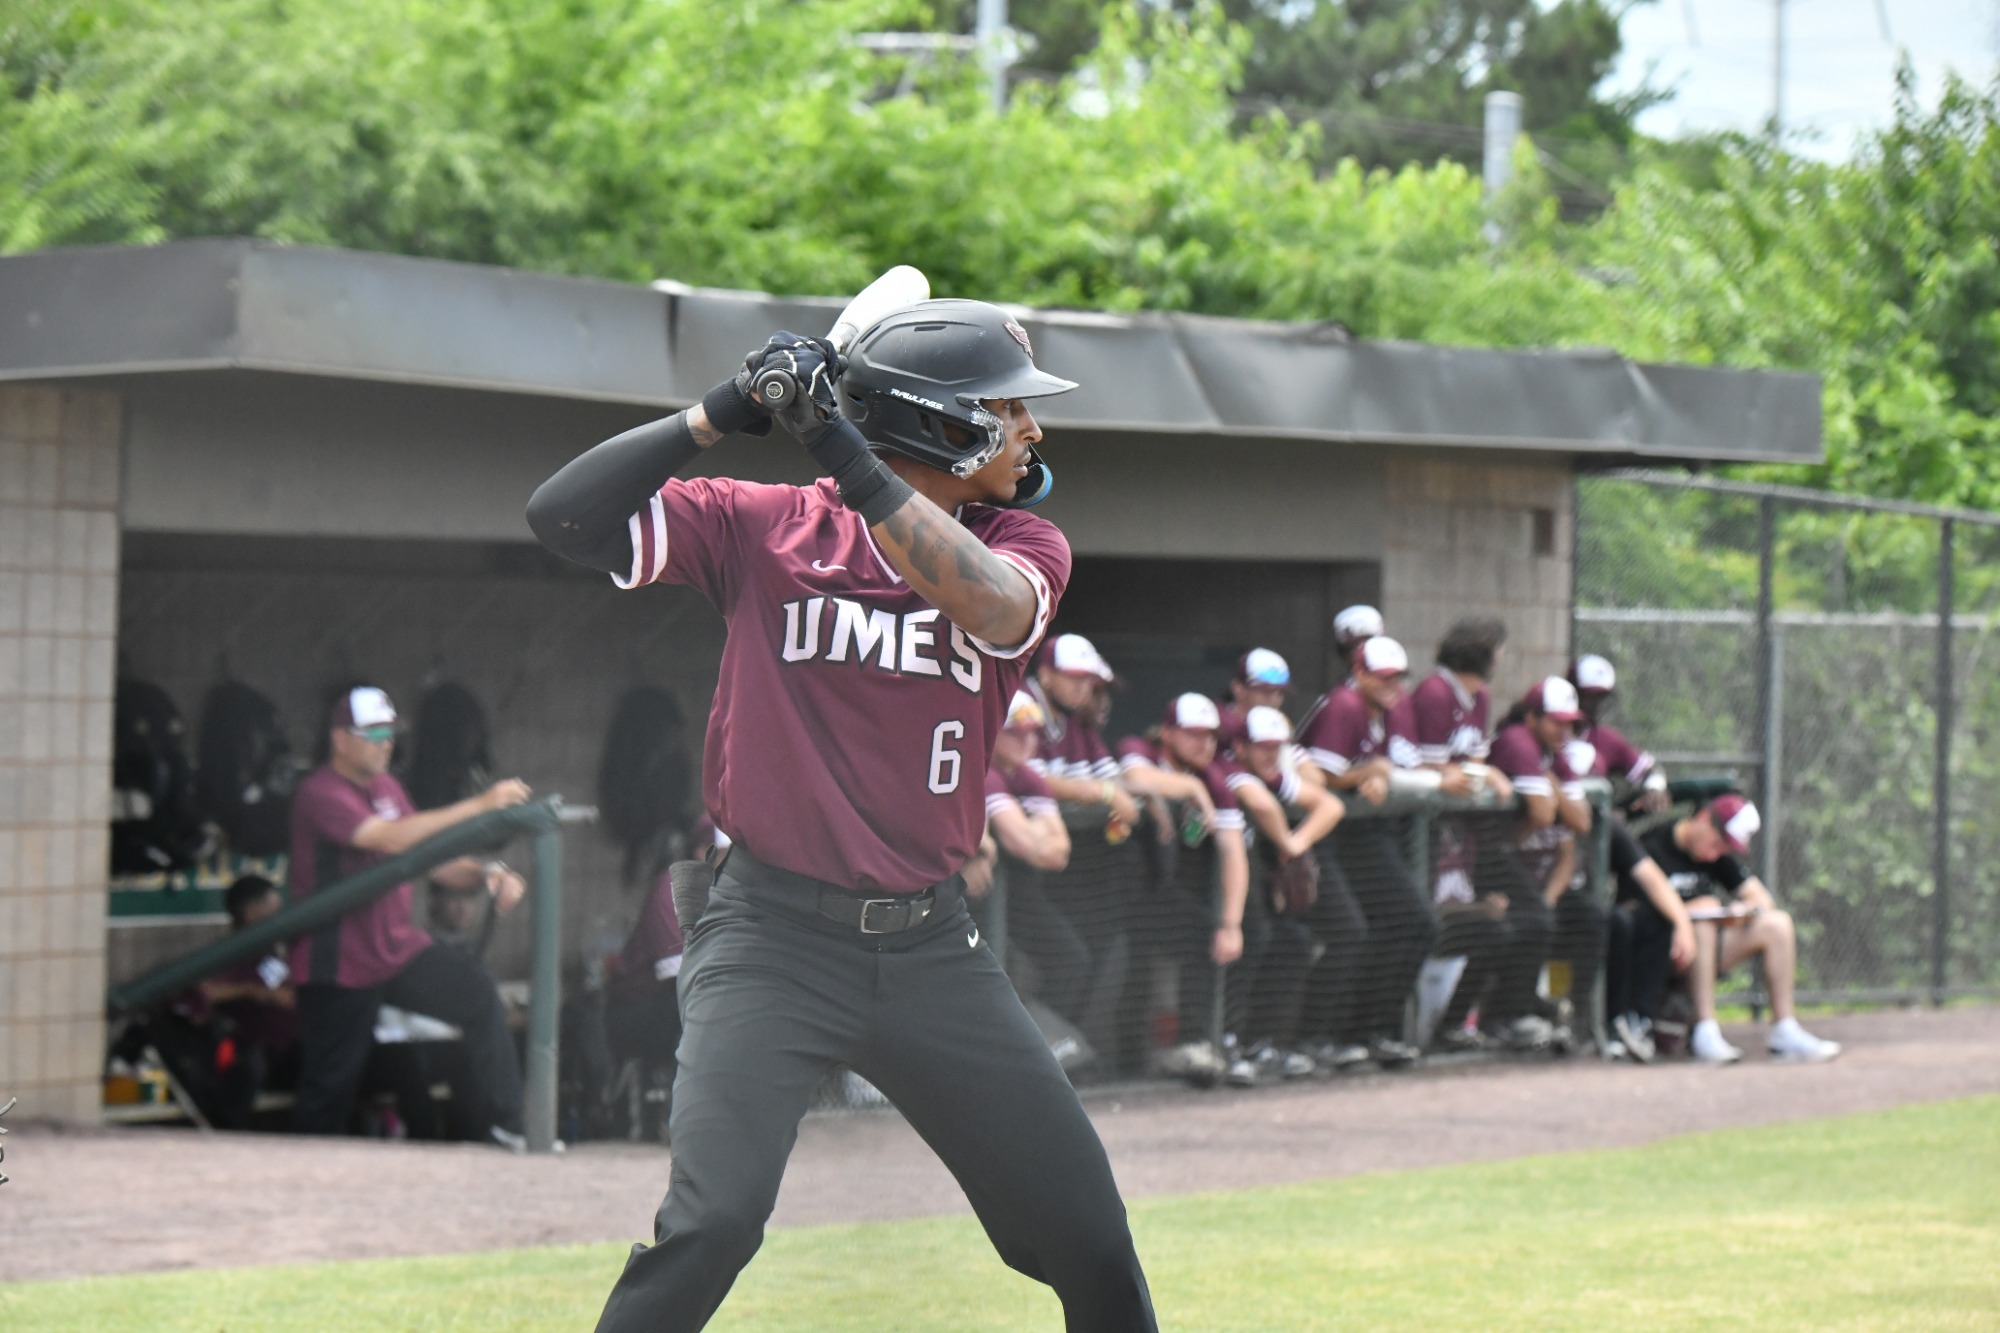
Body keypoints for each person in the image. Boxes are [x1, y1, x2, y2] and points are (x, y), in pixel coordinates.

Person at [526, 303, 1155, 1331]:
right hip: (767, 936)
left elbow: (994, 608)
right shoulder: (765, 521)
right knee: (712, 1223)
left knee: (1087, 1236)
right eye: (1007, 412)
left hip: (928, 946)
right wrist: (721, 410)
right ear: (941, 426)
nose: (1031, 433)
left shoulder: (1022, 540)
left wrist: (840, 448)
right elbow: (561, 517)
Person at [289, 686, 533, 1146]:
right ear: (340, 739)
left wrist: (487, 872)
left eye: (390, 733)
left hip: (393, 948)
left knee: (477, 992)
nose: (386, 742)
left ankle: (510, 1126)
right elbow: (390, 839)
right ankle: (302, 1188)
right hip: (336, 961)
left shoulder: (386, 786)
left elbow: (427, 856)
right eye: (374, 733)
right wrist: (482, 805)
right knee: (328, 1092)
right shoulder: (319, 791)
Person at [1294, 635, 1431, 1068]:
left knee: (1414, 923)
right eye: (1382, 676)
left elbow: (1381, 770)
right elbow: (1318, 776)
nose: (1392, 685)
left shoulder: (1387, 713)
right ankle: (1313, 1036)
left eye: (1398, 677)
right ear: (1359, 674)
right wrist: (1362, 775)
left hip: (1362, 840)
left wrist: (1374, 775)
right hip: (1318, 838)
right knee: (1350, 932)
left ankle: (1367, 1029)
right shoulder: (1345, 704)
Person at [1621, 795, 1841, 1064]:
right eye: (1717, 843)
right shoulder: (1653, 844)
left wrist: (1743, 912)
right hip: (1658, 953)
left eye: (1725, 847)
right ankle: (1705, 1030)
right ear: (1703, 819)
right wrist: (1692, 914)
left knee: (1777, 924)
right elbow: (1636, 914)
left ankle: (1785, 1029)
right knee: (1703, 922)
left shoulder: (1716, 857)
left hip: (1705, 954)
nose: (1717, 853)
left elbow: (1762, 899)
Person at [1113, 695, 1261, 1084]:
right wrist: (1189, 788)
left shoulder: (1216, 779)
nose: (1205, 745)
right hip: (1109, 888)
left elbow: (1233, 852)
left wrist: (1231, 924)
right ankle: (1121, 1061)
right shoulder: (1138, 749)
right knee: (1126, 972)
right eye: (1193, 735)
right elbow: (1134, 777)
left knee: (1212, 934)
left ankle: (1193, 1043)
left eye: (1211, 736)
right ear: (1168, 733)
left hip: (1158, 894)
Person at [1226, 704, 1346, 1081]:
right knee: (1252, 938)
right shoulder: (1227, 769)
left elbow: (1331, 804)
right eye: (1262, 747)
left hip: (1243, 888)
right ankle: (1224, 1040)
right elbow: (1261, 804)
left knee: (1292, 939)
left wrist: (1298, 841)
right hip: (1202, 888)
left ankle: (1260, 1043)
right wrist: (1285, 842)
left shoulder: (1275, 776)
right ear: (1241, 747)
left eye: (1277, 747)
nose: (1271, 755)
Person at [1481, 678, 1598, 1051]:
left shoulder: (1556, 752)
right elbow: (1544, 813)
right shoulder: (1517, 739)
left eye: (1570, 723)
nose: (1565, 730)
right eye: (1555, 721)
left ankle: (1576, 1017)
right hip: (1484, 856)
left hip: (1525, 867)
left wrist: (1552, 783)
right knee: (1532, 920)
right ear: (1532, 717)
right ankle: (1503, 1019)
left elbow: (1582, 822)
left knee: (1593, 918)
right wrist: (1551, 796)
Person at [980, 691, 1089, 1030]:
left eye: (1033, 732)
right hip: (969, 902)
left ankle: (1044, 1041)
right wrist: (1033, 833)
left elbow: (1057, 853)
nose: (1026, 740)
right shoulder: (983, 767)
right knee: (994, 974)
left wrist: (1032, 833)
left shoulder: (1028, 776)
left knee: (1071, 960)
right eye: (1015, 731)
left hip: (1015, 901)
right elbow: (1022, 843)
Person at [1602, 822, 1698, 1062]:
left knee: (1653, 919)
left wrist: (1682, 924)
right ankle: (1609, 1022)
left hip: (1596, 916)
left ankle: (1638, 1022)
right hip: (1565, 913)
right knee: (1617, 922)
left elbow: (1652, 879)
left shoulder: (1611, 827)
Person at [1570, 653, 1669, 811]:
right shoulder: (1544, 735)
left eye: (1602, 697)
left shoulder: (1605, 738)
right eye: (1589, 696)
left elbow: (1651, 769)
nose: (1597, 704)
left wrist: (1654, 787)